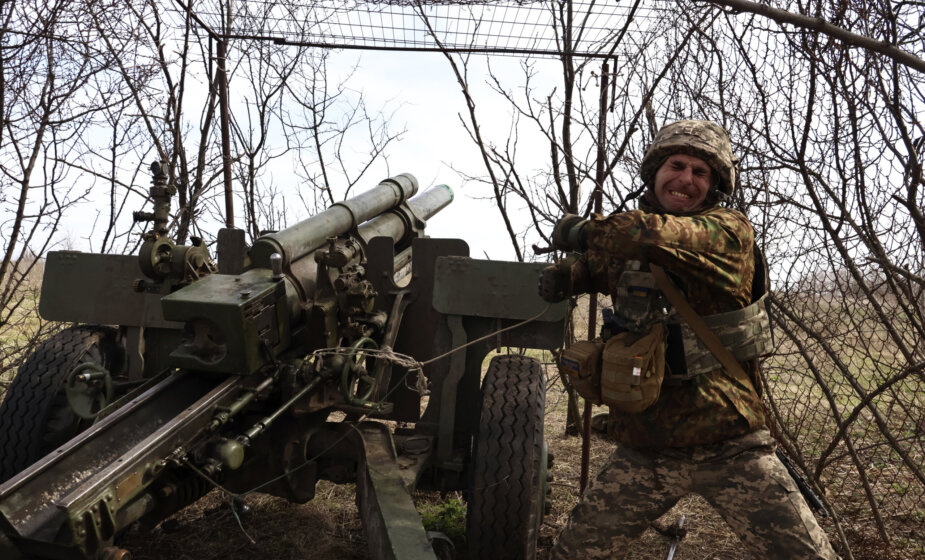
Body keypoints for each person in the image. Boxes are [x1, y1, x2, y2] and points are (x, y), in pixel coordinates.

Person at [539, 120, 838, 559]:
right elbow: (609, 263)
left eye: (701, 172)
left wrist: (579, 231)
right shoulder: (632, 246)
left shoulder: (728, 233)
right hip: (647, 448)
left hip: (730, 445)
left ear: (715, 186)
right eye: (676, 165)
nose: (686, 180)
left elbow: (651, 235)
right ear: (655, 172)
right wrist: (571, 275)